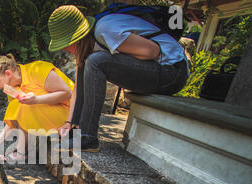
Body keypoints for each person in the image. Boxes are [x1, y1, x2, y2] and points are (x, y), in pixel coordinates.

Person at [48, 5, 189, 152]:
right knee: (90, 61)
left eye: (65, 45)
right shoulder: (89, 43)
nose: (65, 50)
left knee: (97, 61)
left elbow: (152, 51)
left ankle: (88, 137)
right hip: (158, 69)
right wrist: (69, 121)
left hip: (172, 72)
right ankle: (76, 129)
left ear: (75, 39)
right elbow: (79, 84)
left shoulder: (105, 30)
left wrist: (120, 57)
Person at [0, 53, 74, 162]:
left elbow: (67, 93)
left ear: (8, 73)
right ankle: (22, 151)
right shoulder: (11, 88)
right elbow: (14, 117)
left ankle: (21, 154)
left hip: (71, 114)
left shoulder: (38, 69)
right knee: (20, 105)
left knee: (25, 105)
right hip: (52, 112)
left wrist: (36, 100)